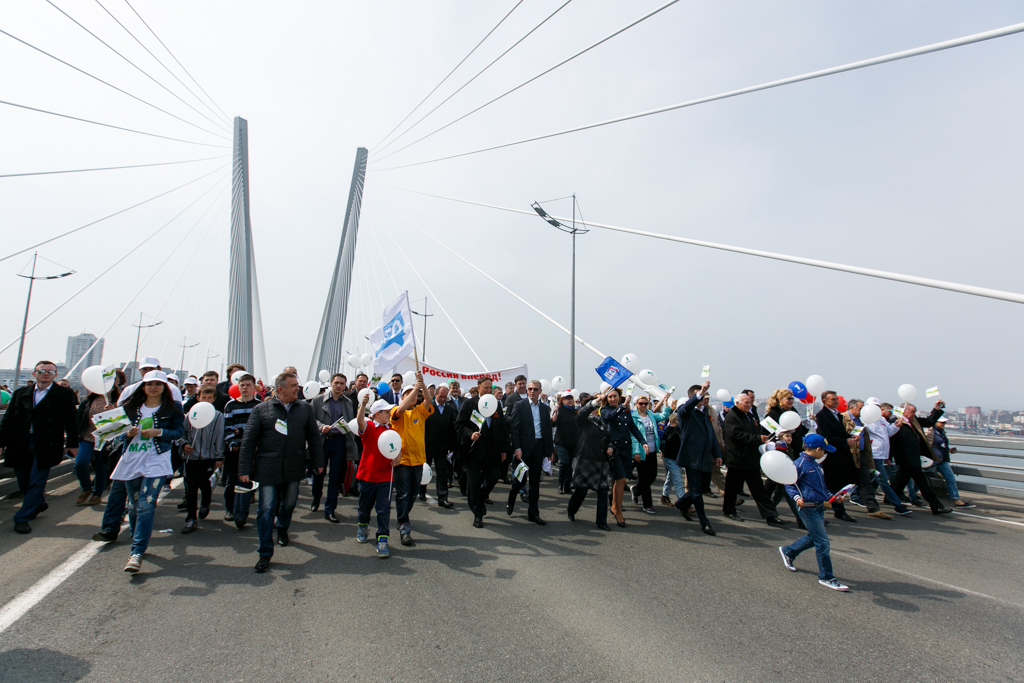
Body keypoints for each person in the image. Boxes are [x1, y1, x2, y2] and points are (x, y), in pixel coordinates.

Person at [238, 371, 324, 573]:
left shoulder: (304, 408)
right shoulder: (261, 410)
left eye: (298, 385)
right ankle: (265, 552)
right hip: (267, 467)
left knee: (289, 503)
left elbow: (313, 436)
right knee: (266, 508)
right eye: (294, 385)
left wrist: (318, 462)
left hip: (294, 466)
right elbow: (249, 442)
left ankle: (283, 528)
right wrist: (243, 469)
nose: (298, 388)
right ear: (280, 389)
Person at [99, 371, 184, 572]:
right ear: (143, 387)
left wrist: (159, 432)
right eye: (149, 384)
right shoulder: (130, 407)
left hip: (157, 460)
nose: (153, 387)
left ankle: (136, 551)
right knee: (135, 505)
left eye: (158, 384)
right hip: (132, 460)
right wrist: (124, 431)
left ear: (164, 387)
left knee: (147, 505)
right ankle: (137, 537)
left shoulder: (173, 408)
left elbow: (178, 432)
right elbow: (114, 432)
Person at [0, 360, 79, 534]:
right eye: (42, 371)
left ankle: (22, 518)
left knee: (37, 480)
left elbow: (71, 421)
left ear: (56, 375)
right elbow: (8, 418)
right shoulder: (21, 393)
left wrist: (73, 444)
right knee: (22, 478)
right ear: (33, 373)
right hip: (20, 441)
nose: (46, 374)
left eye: (50, 372)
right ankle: (40, 503)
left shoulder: (64, 395)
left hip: (47, 443)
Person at [778, 434, 852, 592]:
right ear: (818, 449)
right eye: (824, 450)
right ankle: (827, 577)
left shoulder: (817, 464)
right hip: (807, 507)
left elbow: (821, 487)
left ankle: (788, 551)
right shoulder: (800, 464)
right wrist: (796, 497)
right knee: (822, 542)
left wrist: (833, 496)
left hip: (818, 506)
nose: (825, 453)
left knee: (815, 537)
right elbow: (789, 483)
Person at [722, 393, 787, 527]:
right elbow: (735, 435)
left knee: (758, 489)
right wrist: (757, 439)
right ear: (737, 403)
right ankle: (729, 510)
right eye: (746, 402)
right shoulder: (732, 417)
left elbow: (754, 431)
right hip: (737, 459)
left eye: (750, 402)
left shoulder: (749, 415)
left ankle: (770, 515)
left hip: (750, 459)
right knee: (732, 488)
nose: (749, 405)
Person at [455, 376, 509, 528]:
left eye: (490, 388)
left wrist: (504, 449)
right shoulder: (469, 404)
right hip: (473, 450)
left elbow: (502, 428)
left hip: (492, 449)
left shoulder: (497, 405)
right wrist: (469, 434)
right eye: (485, 387)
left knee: (493, 477)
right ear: (478, 387)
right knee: (473, 482)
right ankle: (478, 513)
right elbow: (459, 425)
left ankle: (478, 497)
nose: (487, 390)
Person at [887, 402, 954, 516]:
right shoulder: (897, 422)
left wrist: (936, 409)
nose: (914, 414)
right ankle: (936, 507)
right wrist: (888, 457)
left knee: (901, 479)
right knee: (922, 483)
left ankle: (889, 498)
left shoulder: (914, 421)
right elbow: (890, 440)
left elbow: (929, 421)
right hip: (906, 457)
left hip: (913, 457)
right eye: (912, 411)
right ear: (905, 411)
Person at [673, 382, 722, 535]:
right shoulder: (684, 411)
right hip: (691, 457)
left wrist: (718, 454)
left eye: (705, 396)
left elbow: (711, 435)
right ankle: (704, 522)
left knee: (702, 488)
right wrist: (700, 392)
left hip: (705, 457)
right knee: (696, 492)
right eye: (701, 396)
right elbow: (686, 408)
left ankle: (682, 503)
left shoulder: (705, 413)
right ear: (691, 397)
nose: (704, 398)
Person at [354, 395, 399, 558]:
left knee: (383, 510)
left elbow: (397, 448)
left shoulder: (391, 431)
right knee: (365, 506)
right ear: (377, 413)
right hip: (367, 475)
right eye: (386, 411)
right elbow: (360, 422)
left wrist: (398, 457)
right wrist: (363, 405)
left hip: (386, 476)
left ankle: (382, 540)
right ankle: (362, 525)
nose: (389, 414)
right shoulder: (370, 427)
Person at [390, 375, 433, 546]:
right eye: (408, 394)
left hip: (418, 460)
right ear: (402, 397)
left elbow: (429, 401)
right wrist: (415, 388)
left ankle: (402, 517)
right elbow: (400, 410)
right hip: (402, 461)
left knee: (414, 493)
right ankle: (404, 527)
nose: (413, 397)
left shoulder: (420, 412)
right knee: (403, 494)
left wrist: (421, 386)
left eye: (415, 395)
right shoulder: (396, 411)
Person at [310, 373, 356, 523]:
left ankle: (330, 509)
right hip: (322, 441)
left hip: (339, 441)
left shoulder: (347, 402)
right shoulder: (318, 400)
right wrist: (321, 426)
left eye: (342, 383)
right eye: (336, 383)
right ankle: (316, 498)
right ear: (331, 383)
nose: (338, 386)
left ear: (345, 386)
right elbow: (310, 419)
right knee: (318, 474)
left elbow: (350, 420)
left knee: (335, 477)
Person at [507, 380, 554, 524]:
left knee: (535, 482)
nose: (532, 391)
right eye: (530, 389)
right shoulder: (519, 405)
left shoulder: (545, 409)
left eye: (535, 389)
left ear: (540, 391)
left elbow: (547, 431)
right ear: (527, 391)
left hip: (538, 448)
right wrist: (517, 448)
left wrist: (549, 451)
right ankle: (511, 498)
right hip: (523, 449)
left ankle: (533, 513)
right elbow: (514, 429)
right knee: (519, 479)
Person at [599, 387, 648, 527]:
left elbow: (633, 428)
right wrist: (623, 406)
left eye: (615, 396)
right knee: (620, 479)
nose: (613, 399)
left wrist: (643, 442)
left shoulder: (626, 411)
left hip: (625, 449)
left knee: (617, 479)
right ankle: (617, 510)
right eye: (610, 397)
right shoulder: (605, 410)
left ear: (619, 397)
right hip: (612, 449)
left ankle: (615, 505)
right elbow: (610, 417)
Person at [180, 386, 224, 534]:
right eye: (204, 398)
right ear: (198, 398)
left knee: (205, 484)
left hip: (209, 457)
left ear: (214, 399)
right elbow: (182, 433)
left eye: (210, 398)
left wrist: (219, 456)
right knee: (190, 487)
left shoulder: (218, 416)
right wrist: (184, 444)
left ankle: (206, 502)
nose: (207, 400)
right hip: (191, 457)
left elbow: (220, 437)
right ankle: (191, 518)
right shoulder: (190, 415)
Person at [567, 393, 614, 530]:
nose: (596, 409)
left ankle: (601, 521)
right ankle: (571, 509)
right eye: (594, 407)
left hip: (602, 461)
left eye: (598, 407)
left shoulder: (604, 422)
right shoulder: (583, 421)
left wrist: (610, 446)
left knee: (603, 490)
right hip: (586, 460)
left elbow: (608, 438)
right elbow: (581, 413)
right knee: (582, 490)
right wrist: (593, 402)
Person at [842, 399, 893, 519]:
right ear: (851, 408)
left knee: (866, 482)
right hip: (849, 455)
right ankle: (829, 501)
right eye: (860, 408)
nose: (862, 411)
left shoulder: (861, 420)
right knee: (841, 481)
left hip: (861, 454)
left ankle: (873, 508)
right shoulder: (843, 418)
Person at [814, 391, 861, 523]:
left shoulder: (837, 415)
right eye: (833, 399)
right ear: (824, 401)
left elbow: (840, 433)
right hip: (832, 455)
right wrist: (845, 442)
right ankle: (837, 511)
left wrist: (850, 437)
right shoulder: (822, 415)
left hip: (841, 454)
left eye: (836, 399)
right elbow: (826, 436)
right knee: (832, 484)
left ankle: (836, 509)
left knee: (838, 484)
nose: (836, 401)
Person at [863, 400, 912, 515]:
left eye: (878, 407)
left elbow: (888, 434)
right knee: (882, 480)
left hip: (880, 455)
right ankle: (897, 505)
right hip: (872, 455)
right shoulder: (865, 419)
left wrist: (896, 426)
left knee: (866, 479)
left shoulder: (882, 420)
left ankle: (854, 495)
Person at [629, 393, 671, 514]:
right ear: (636, 404)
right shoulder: (634, 417)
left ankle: (637, 489)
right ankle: (648, 505)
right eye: (640, 403)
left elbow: (664, 415)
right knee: (645, 478)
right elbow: (633, 436)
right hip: (641, 451)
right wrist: (636, 451)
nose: (643, 405)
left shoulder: (651, 414)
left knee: (652, 476)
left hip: (652, 450)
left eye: (645, 403)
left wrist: (666, 403)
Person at [74, 386, 114, 506]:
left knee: (100, 466)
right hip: (87, 436)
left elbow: (121, 421)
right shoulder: (88, 400)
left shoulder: (117, 400)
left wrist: (113, 411)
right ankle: (86, 488)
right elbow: (79, 417)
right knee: (80, 463)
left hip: (105, 438)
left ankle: (97, 494)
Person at [927, 416, 974, 508]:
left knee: (951, 479)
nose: (943, 424)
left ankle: (957, 500)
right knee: (920, 479)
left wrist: (948, 451)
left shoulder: (942, 432)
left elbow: (942, 446)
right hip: (932, 460)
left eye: (944, 422)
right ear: (935, 422)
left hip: (942, 460)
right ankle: (911, 496)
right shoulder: (930, 432)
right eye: (941, 422)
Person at [423, 383, 457, 508]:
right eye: (440, 397)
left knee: (442, 473)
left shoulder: (449, 410)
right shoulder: (428, 408)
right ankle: (422, 491)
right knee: (425, 471)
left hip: (442, 447)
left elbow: (453, 429)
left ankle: (443, 498)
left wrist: (452, 446)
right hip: (427, 446)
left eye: (444, 397)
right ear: (435, 395)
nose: (442, 399)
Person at [117, 357, 183, 406]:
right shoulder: (129, 389)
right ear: (140, 371)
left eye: (151, 369)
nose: (148, 372)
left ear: (159, 369)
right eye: (144, 369)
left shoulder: (173, 389)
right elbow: (121, 408)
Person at [551, 391, 579, 495]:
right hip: (561, 442)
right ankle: (560, 484)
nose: (570, 400)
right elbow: (553, 424)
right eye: (567, 398)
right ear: (562, 400)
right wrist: (554, 414)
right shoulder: (559, 410)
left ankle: (567, 486)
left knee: (570, 465)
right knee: (564, 463)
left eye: (571, 398)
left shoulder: (575, 412)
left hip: (572, 442)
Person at [659, 413, 684, 506]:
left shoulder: (679, 430)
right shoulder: (668, 430)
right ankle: (683, 503)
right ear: (672, 422)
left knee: (670, 477)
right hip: (670, 458)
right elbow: (669, 438)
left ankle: (664, 496)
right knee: (678, 480)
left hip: (675, 457)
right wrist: (676, 430)